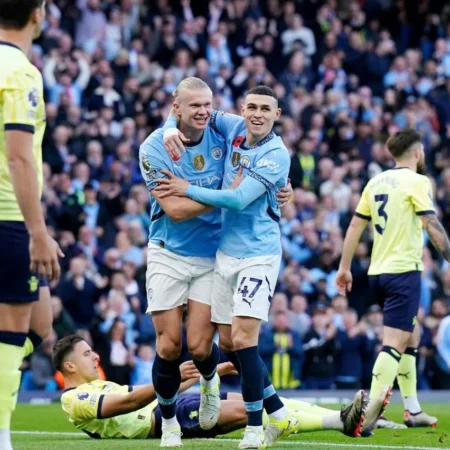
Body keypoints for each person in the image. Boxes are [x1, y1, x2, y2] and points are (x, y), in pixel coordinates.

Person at [156, 85, 365, 449]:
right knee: (228, 344)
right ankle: (278, 413)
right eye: (251, 107)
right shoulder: (233, 127)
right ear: (242, 109)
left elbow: (237, 199)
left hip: (258, 255)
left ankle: (255, 428)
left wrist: (187, 188)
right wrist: (168, 129)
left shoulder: (275, 154)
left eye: (265, 109)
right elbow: (191, 112)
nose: (257, 114)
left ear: (277, 114)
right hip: (224, 254)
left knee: (244, 340)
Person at [138, 77, 292, 447]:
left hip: (223, 252)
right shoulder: (156, 146)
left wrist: (253, 190)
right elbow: (174, 211)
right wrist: (169, 127)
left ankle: (241, 411)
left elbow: (240, 197)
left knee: (216, 344)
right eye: (195, 106)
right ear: (177, 108)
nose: (204, 112)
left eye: (208, 105)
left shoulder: (237, 133)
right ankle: (172, 424)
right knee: (170, 346)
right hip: (170, 251)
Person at [336, 129, 447, 434]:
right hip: (403, 272)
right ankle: (368, 416)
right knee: (394, 344)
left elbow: (355, 226)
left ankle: (412, 411)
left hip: (378, 272)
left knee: (413, 335)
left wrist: (344, 267)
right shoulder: (418, 181)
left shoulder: (376, 182)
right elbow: (431, 223)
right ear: (418, 151)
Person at [53, 335, 367, 441]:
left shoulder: (99, 384)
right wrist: (170, 381)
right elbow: (128, 403)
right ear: (69, 366)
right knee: (250, 412)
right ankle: (339, 422)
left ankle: (346, 417)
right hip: (161, 420)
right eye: (85, 354)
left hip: (171, 405)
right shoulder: (74, 400)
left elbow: (144, 392)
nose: (95, 356)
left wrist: (210, 371)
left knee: (259, 398)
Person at [0, 1, 64, 449]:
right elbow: (20, 155)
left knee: (33, 323)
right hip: (7, 217)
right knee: (10, 330)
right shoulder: (20, 71)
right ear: (38, 14)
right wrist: (37, 231)